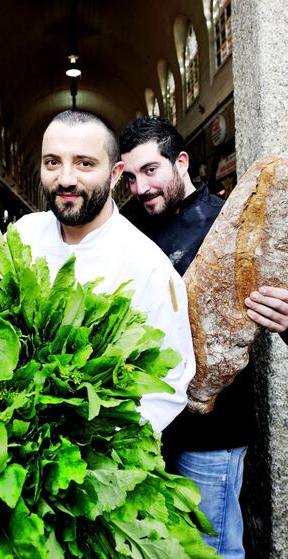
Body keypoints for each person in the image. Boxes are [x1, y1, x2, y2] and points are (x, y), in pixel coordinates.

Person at [119, 115, 288, 558]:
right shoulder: (126, 225)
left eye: (150, 171)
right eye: (130, 176)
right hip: (148, 429)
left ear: (181, 162)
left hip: (213, 433)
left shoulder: (227, 225)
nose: (140, 188)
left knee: (211, 546)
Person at [15, 110, 195, 432]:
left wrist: (96, 440)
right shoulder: (20, 237)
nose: (66, 179)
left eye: (85, 163)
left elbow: (169, 383)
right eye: (52, 162)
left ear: (114, 175)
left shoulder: (149, 267)